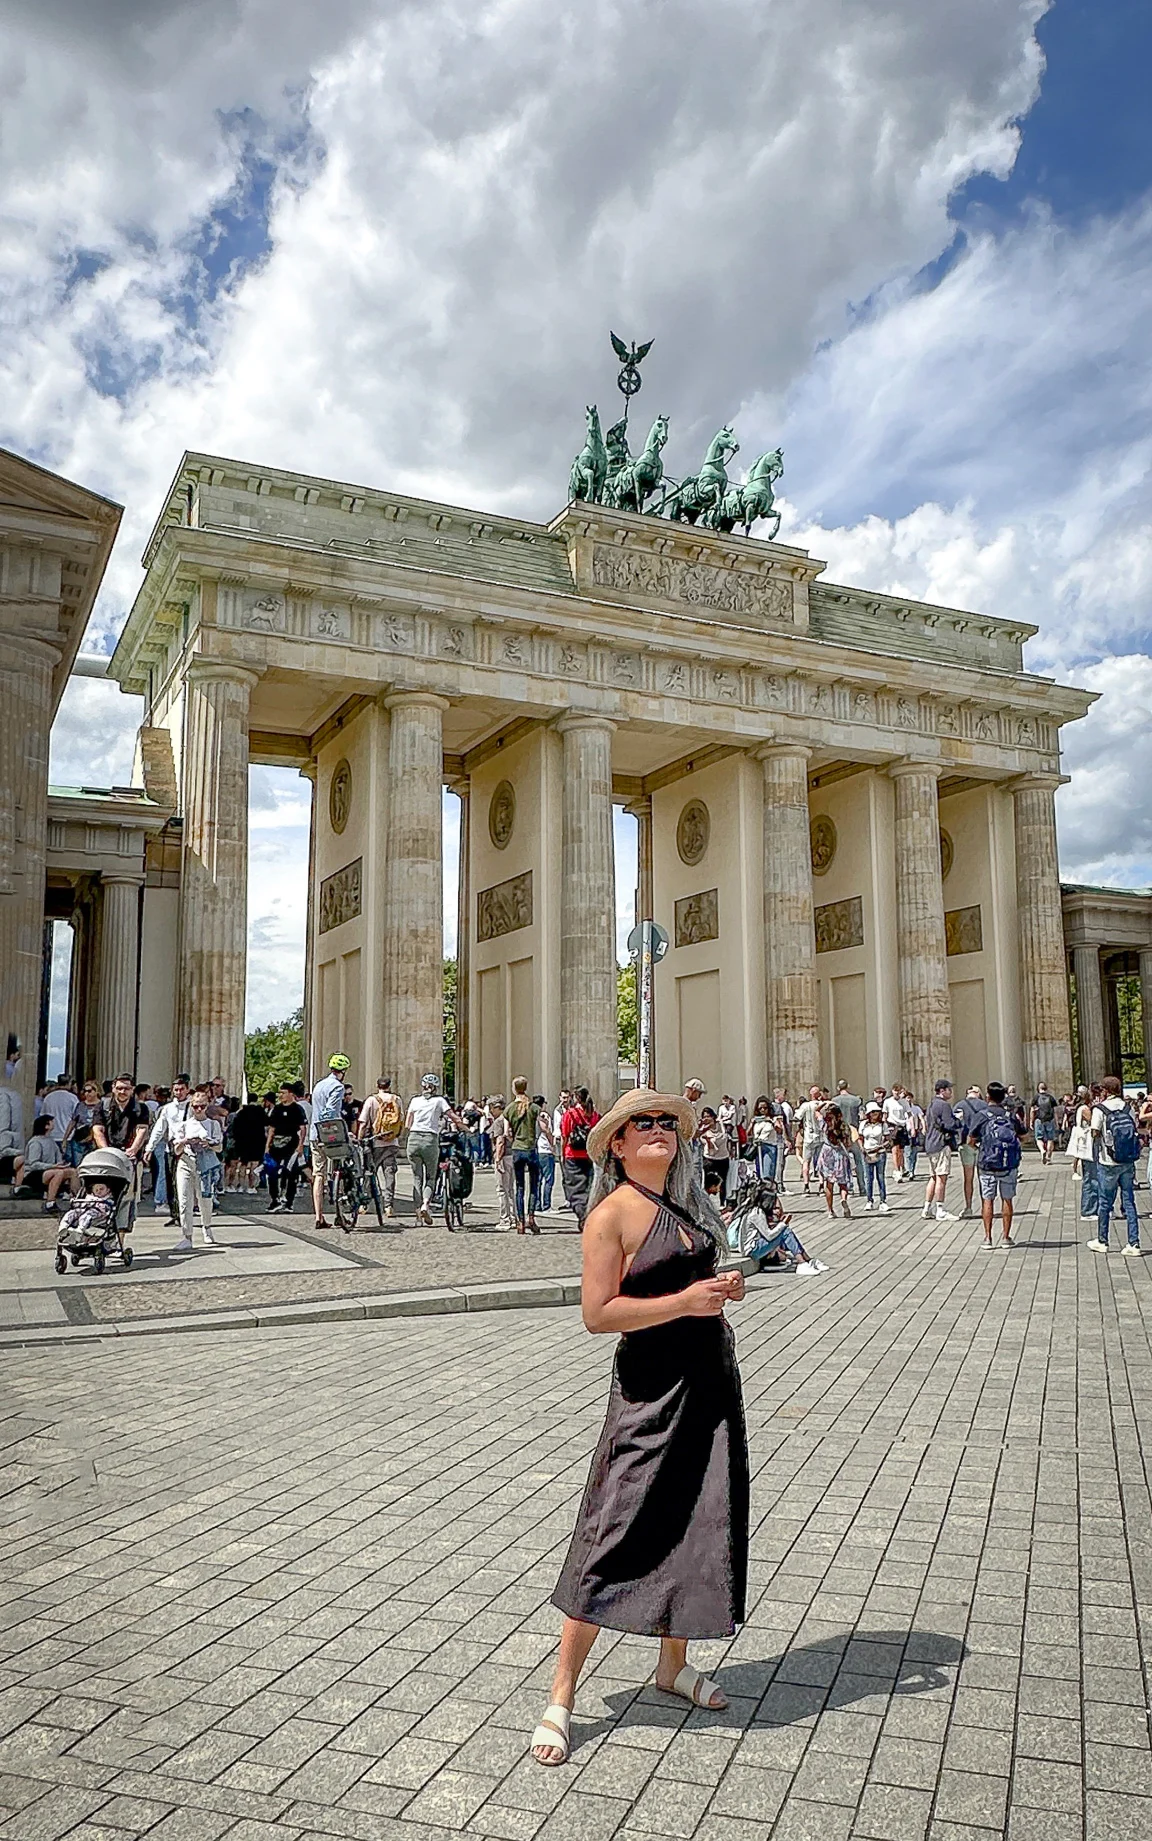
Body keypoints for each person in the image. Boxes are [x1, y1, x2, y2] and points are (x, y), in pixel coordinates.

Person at [532, 1089, 748, 1767]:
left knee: (696, 1519)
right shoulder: (610, 1215)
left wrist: (721, 1287)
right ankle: (561, 1695)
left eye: (665, 1123)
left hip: (707, 1382)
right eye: (640, 1124)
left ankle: (672, 1665)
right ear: (617, 1145)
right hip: (649, 1392)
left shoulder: (685, 1204)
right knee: (614, 1528)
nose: (657, 1130)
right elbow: (597, 1313)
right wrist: (684, 1300)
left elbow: (691, 1281)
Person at [1086, 1075, 1142, 1255]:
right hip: (1127, 1160)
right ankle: (1134, 1243)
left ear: (1105, 1090)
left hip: (1108, 1161)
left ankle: (1103, 1240)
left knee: (1105, 1202)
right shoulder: (1128, 1108)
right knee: (1129, 1201)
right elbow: (1133, 1128)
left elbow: (1095, 1132)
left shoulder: (1100, 1109)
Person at [968, 1080, 1025, 1249]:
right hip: (1008, 1163)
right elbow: (1024, 1135)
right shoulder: (1010, 1116)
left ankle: (988, 1238)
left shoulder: (982, 1115)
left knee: (987, 1200)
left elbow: (970, 1140)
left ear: (987, 1097)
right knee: (1007, 1200)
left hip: (987, 1163)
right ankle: (1006, 1237)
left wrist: (979, 1145)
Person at [170, 1085, 223, 1250]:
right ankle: (187, 1236)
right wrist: (184, 1141)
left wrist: (208, 1143)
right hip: (186, 1162)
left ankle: (207, 1228)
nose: (199, 1109)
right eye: (195, 1106)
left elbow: (219, 1147)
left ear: (207, 1106)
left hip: (205, 1165)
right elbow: (176, 1150)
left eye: (202, 1106)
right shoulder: (184, 1125)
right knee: (184, 1200)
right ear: (191, 1106)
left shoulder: (213, 1124)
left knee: (205, 1200)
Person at [405, 1073, 456, 1225]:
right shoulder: (439, 1101)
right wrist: (465, 1127)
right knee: (431, 1177)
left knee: (416, 1178)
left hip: (413, 1139)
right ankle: (425, 1204)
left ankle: (417, 1215)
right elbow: (452, 1116)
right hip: (430, 1140)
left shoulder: (414, 1101)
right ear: (435, 1088)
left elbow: (408, 1123)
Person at [310, 1053, 351, 1229]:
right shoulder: (338, 1087)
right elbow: (330, 1112)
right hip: (330, 1135)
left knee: (318, 1175)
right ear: (343, 1071)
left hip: (314, 1134)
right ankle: (339, 1213)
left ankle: (319, 1216)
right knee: (341, 1169)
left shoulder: (319, 1085)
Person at [144, 1077, 193, 1220]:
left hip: (190, 1148)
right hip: (172, 1149)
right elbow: (159, 1129)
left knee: (188, 1181)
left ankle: (186, 1211)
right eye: (176, 1090)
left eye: (181, 1089)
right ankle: (175, 1213)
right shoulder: (167, 1109)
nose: (179, 1092)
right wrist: (149, 1148)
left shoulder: (193, 1106)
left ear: (187, 1089)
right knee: (171, 1181)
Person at [357, 1075, 404, 1218]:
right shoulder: (396, 1100)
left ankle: (364, 1204)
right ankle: (388, 1205)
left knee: (370, 1172)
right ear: (389, 1086)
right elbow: (401, 1119)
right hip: (391, 1142)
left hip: (375, 1142)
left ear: (377, 1086)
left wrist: (360, 1138)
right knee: (389, 1174)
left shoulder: (372, 1100)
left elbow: (364, 1122)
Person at [13, 1116, 77, 1210]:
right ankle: (50, 1202)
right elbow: (34, 1164)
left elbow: (58, 1158)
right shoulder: (35, 1142)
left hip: (50, 1170)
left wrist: (62, 1165)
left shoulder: (51, 1141)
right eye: (51, 1121)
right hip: (34, 1174)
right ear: (46, 1126)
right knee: (59, 1173)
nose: (53, 1123)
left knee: (73, 1171)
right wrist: (53, 1166)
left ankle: (76, 1198)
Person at [264, 1082, 308, 1213]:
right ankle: (275, 1200)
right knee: (271, 1172)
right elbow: (272, 1128)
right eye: (280, 1093)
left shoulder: (297, 1109)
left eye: (283, 1093)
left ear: (291, 1094)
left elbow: (302, 1128)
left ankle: (289, 1202)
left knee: (291, 1173)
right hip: (277, 1143)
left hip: (291, 1143)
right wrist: (267, 1146)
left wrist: (300, 1145)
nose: (280, 1095)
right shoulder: (276, 1109)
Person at [560, 1087, 599, 1228]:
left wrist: (562, 1154)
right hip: (589, 1155)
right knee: (588, 1187)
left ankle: (583, 1215)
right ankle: (588, 1213)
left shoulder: (570, 1114)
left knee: (573, 1188)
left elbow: (565, 1136)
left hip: (572, 1155)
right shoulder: (594, 1115)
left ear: (575, 1098)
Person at [507, 1078, 542, 1233]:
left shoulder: (509, 1109)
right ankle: (531, 1217)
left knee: (519, 1186)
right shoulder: (534, 1107)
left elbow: (507, 1132)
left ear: (514, 1089)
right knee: (534, 1186)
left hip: (517, 1149)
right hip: (531, 1148)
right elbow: (541, 1126)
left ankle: (520, 1222)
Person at [922, 1079, 958, 1222]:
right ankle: (940, 1209)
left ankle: (926, 1208)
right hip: (941, 1143)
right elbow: (949, 1125)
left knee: (933, 1177)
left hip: (930, 1143)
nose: (951, 1092)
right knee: (942, 1177)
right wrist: (958, 1120)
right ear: (942, 1091)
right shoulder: (944, 1105)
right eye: (949, 1089)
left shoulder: (931, 1104)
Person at [92, 1074, 150, 1164]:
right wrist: (107, 1151)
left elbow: (142, 1130)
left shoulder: (141, 1108)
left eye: (127, 1088)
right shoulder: (102, 1106)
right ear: (113, 1088)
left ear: (132, 1090)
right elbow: (97, 1130)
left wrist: (133, 1149)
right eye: (119, 1088)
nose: (122, 1091)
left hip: (130, 1156)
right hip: (107, 1154)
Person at [816, 1103, 854, 1219]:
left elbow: (816, 1112)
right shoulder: (844, 1126)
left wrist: (824, 1104)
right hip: (840, 1154)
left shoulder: (825, 1124)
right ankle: (843, 1199)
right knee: (843, 1183)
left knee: (829, 1183)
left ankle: (830, 1210)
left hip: (827, 1153)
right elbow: (848, 1143)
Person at [225, 1095, 269, 1193]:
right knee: (254, 1165)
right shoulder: (261, 1112)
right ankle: (251, 1186)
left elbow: (235, 1127)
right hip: (257, 1141)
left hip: (243, 1141)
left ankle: (240, 1185)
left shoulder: (241, 1112)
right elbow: (267, 1124)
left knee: (243, 1164)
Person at [956, 1084, 986, 1218]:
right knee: (983, 1178)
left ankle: (968, 1207)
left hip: (966, 1143)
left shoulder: (959, 1105)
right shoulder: (984, 1105)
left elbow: (955, 1124)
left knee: (968, 1178)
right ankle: (986, 1206)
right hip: (983, 1144)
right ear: (978, 1093)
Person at [487, 1094, 516, 1230]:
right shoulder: (510, 1117)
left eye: (491, 1108)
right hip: (513, 1156)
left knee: (501, 1190)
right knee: (510, 1189)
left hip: (503, 1156)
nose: (490, 1111)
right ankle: (514, 1218)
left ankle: (505, 1219)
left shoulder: (499, 1121)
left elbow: (500, 1141)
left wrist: (497, 1159)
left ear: (496, 1107)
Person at [835, 1079, 866, 1196]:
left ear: (838, 1088)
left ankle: (848, 1187)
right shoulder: (856, 1100)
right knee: (859, 1161)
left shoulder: (834, 1101)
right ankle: (862, 1187)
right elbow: (862, 1116)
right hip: (854, 1132)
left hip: (841, 1134)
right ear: (848, 1086)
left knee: (844, 1162)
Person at [860, 1102, 891, 1213]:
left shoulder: (883, 1125)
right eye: (873, 1112)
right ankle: (869, 1200)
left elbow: (888, 1139)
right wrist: (862, 1148)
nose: (875, 1114)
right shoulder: (863, 1124)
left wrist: (881, 1146)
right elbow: (859, 1137)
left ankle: (883, 1201)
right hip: (867, 1153)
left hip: (879, 1152)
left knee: (880, 1177)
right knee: (868, 1178)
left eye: (877, 1112)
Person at [793, 1086, 824, 1194]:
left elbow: (797, 1117)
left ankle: (806, 1186)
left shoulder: (805, 1105)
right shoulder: (822, 1105)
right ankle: (821, 1185)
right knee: (821, 1161)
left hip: (809, 1137)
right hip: (821, 1136)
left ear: (811, 1094)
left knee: (806, 1162)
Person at [698, 1106, 731, 1195]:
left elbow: (725, 1137)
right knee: (708, 1182)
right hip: (709, 1158)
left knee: (723, 1181)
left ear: (713, 1116)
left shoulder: (720, 1125)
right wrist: (709, 1141)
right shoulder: (702, 1130)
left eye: (708, 1116)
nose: (706, 1118)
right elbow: (711, 1150)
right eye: (704, 1117)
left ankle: (722, 1203)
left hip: (723, 1158)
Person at [534, 1096, 557, 1212]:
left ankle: (537, 1204)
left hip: (536, 1150)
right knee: (549, 1179)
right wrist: (552, 1144)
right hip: (545, 1150)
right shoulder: (543, 1116)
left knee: (538, 1179)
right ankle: (546, 1205)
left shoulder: (531, 1116)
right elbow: (547, 1130)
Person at [1030, 1082, 1058, 1166]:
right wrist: (1056, 1122)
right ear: (1046, 1088)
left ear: (1038, 1088)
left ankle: (1042, 1150)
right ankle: (1048, 1158)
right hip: (1050, 1120)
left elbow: (1032, 1110)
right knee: (1050, 1139)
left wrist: (1031, 1121)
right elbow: (1054, 1111)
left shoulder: (1036, 1098)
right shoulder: (1051, 1097)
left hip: (1039, 1120)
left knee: (1039, 1138)